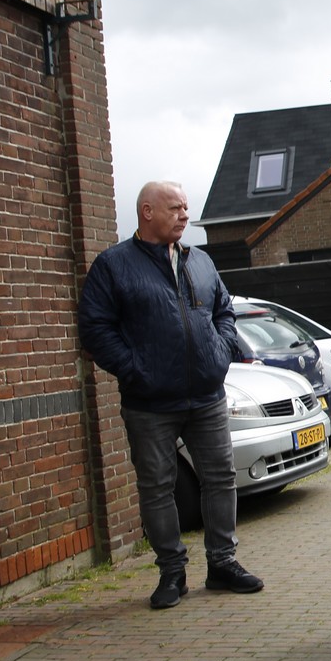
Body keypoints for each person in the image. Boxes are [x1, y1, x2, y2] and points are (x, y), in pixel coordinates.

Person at [77, 181, 264, 610]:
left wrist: (219, 352)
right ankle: (171, 573)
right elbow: (95, 329)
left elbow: (224, 310)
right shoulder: (113, 266)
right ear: (147, 212)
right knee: (157, 487)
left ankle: (222, 564)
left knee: (220, 478)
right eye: (175, 208)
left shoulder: (201, 260)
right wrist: (135, 369)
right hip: (149, 403)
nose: (184, 215)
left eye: (185, 207)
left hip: (206, 396)